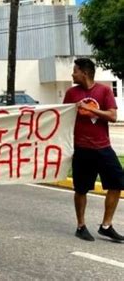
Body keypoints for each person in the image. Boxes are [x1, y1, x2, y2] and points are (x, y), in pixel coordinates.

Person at [63, 58, 124, 242]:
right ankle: (81, 226)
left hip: (103, 147)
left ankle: (106, 225)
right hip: (82, 148)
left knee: (117, 183)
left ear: (85, 73)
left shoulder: (104, 91)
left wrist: (91, 109)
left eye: (75, 71)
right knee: (81, 189)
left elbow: (113, 116)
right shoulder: (71, 93)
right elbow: (63, 119)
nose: (73, 74)